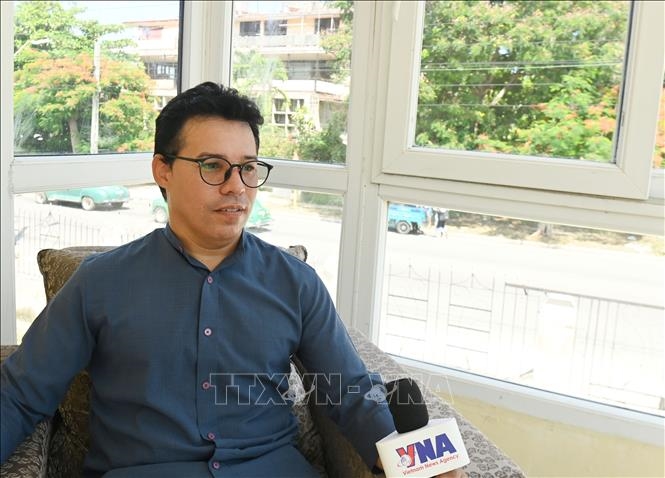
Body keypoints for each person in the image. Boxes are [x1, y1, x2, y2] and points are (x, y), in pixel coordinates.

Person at [1, 82, 464, 478]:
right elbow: (21, 395)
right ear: (163, 169)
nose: (236, 186)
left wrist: (408, 462)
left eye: (248, 167)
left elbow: (350, 391)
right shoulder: (99, 283)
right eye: (212, 166)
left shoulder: (295, 282)